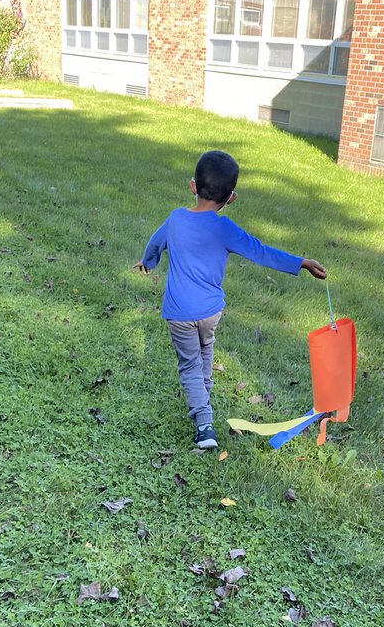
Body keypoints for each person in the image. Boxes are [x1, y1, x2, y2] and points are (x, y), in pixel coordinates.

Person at [135, 150, 327, 450]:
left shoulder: (175, 219)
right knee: (204, 352)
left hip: (180, 313)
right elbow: (260, 251)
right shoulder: (224, 228)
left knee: (189, 366)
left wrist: (148, 262)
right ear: (231, 198)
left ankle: (204, 425)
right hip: (210, 312)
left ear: (192, 186)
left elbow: (155, 244)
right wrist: (300, 262)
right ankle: (203, 399)